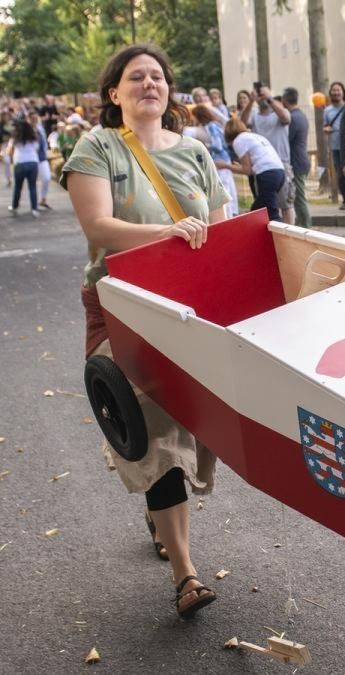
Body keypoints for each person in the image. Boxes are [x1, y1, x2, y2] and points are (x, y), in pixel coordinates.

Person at [61, 43, 229, 618]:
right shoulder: (97, 147)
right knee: (154, 430)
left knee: (193, 429)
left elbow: (222, 230)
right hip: (122, 306)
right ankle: (186, 574)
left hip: (188, 305)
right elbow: (99, 227)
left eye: (158, 76)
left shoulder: (197, 153)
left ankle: (163, 516)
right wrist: (169, 235)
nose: (149, 84)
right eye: (136, 78)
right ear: (115, 94)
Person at [239, 82, 294, 223]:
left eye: (263, 93)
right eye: (259, 94)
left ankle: (291, 235)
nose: (261, 97)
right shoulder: (255, 116)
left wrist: (270, 98)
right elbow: (241, 124)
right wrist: (251, 100)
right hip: (261, 168)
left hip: (281, 163)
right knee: (265, 206)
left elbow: (285, 118)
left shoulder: (279, 112)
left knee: (285, 204)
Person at [224, 117, 286, 221]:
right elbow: (252, 166)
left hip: (266, 174)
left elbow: (247, 170)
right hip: (279, 172)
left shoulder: (238, 140)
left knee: (270, 212)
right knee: (260, 208)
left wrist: (225, 165)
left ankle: (281, 235)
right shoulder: (254, 136)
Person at [192, 104, 239, 218]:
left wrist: (204, 146)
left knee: (224, 190)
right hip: (223, 159)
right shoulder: (215, 125)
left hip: (220, 161)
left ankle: (228, 217)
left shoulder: (211, 126)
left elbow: (217, 145)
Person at [281, 87, 311, 228]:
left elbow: (286, 137)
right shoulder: (301, 115)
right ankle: (301, 224)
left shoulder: (293, 117)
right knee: (298, 197)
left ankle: (306, 226)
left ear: (284, 100)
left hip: (297, 161)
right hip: (301, 159)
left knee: (299, 198)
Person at [323, 81, 345, 209]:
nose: (336, 92)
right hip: (335, 147)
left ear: (343, 92)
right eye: (333, 90)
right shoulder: (327, 110)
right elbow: (325, 126)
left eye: (338, 90)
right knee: (340, 175)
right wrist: (327, 130)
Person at [7, 119, 40, 217]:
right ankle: (34, 209)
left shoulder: (14, 139)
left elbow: (9, 151)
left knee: (18, 187)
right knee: (32, 187)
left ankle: (14, 206)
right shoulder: (34, 137)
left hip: (20, 163)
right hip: (33, 162)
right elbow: (37, 148)